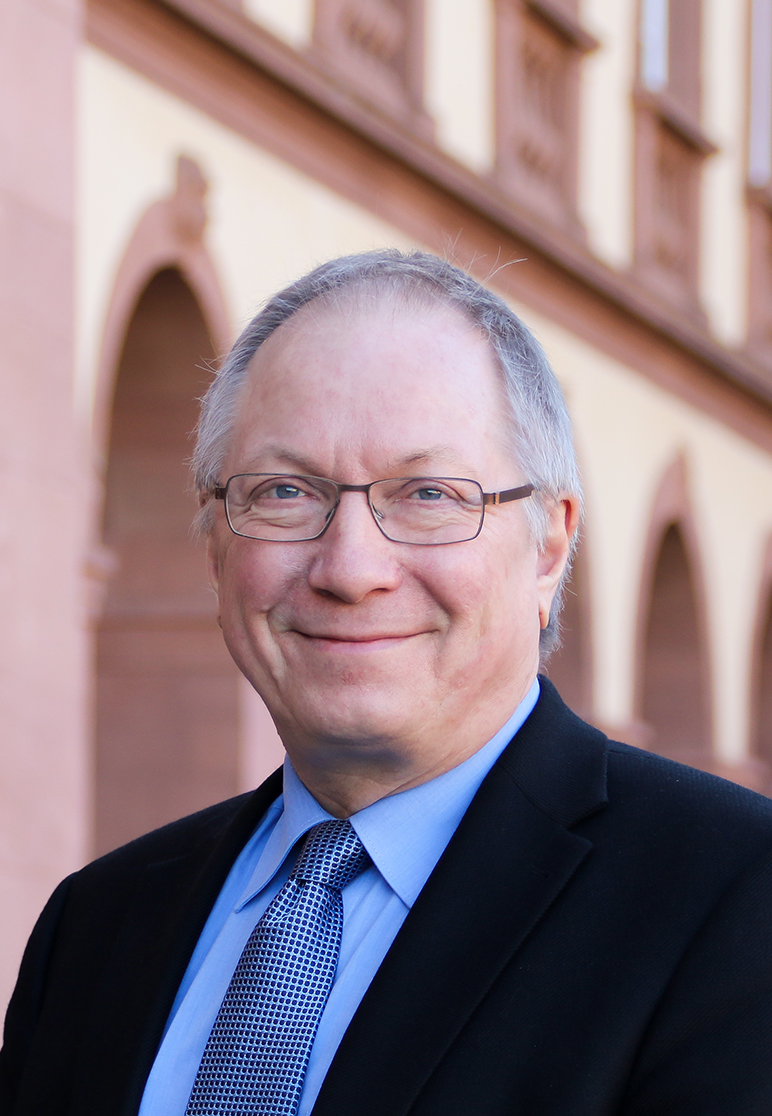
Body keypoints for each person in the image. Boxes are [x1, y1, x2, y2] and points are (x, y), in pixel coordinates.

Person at [2, 250, 772, 1116]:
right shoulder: (94, 927)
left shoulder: (734, 898)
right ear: (215, 541)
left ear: (550, 546)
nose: (350, 567)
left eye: (429, 495)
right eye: (285, 491)